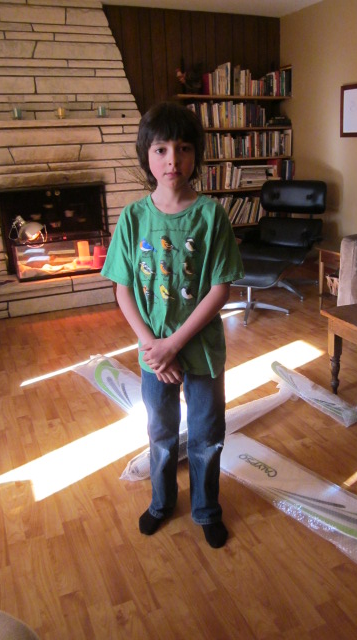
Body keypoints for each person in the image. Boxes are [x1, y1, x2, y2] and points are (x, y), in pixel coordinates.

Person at [101, 101, 244, 548]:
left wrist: (173, 345)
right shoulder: (133, 218)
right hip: (153, 356)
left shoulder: (212, 216)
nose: (172, 160)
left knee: (206, 435)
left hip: (202, 352)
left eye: (183, 149)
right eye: (161, 150)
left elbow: (220, 289)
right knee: (161, 434)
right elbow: (123, 289)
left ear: (195, 155)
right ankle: (162, 503)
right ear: (147, 155)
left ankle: (206, 509)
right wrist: (153, 347)